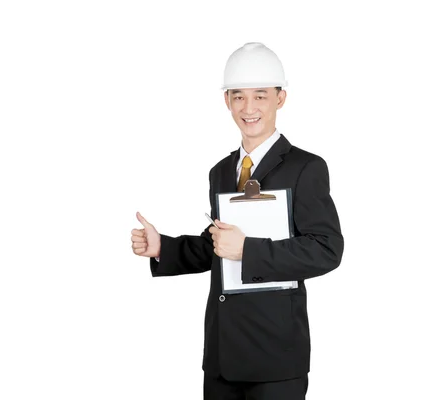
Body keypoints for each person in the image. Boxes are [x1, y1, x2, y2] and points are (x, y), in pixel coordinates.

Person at [130, 42, 344, 400]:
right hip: (222, 356)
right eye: (238, 97)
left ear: (280, 98)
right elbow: (214, 244)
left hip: (276, 356)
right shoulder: (220, 171)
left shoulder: (305, 168)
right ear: (226, 101)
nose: (249, 108)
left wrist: (248, 250)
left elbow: (325, 249)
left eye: (260, 96)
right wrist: (163, 247)